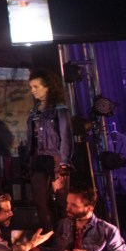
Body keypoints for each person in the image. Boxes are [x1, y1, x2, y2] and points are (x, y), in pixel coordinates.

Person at [26, 68, 73, 233]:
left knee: (62, 201)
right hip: (38, 158)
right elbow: (31, 137)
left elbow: (66, 136)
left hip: (55, 157)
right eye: (31, 87)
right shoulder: (34, 111)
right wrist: (29, 159)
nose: (33, 91)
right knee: (39, 200)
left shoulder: (59, 109)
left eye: (36, 87)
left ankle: (67, 236)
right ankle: (47, 235)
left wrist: (65, 161)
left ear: (48, 87)